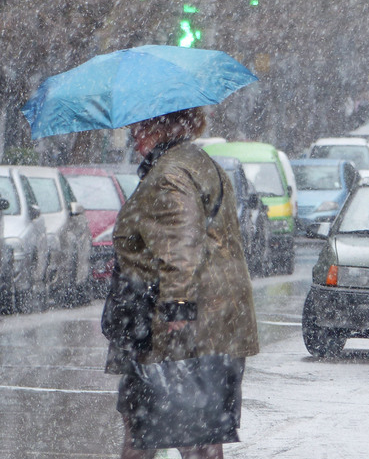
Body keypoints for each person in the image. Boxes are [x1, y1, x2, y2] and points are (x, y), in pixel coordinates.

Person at [105, 106, 259, 459]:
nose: (133, 134)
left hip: (177, 325)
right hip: (218, 320)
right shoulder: (200, 163)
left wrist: (178, 308)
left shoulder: (169, 174)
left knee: (157, 423)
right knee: (196, 426)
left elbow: (179, 245)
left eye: (140, 125)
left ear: (162, 127)